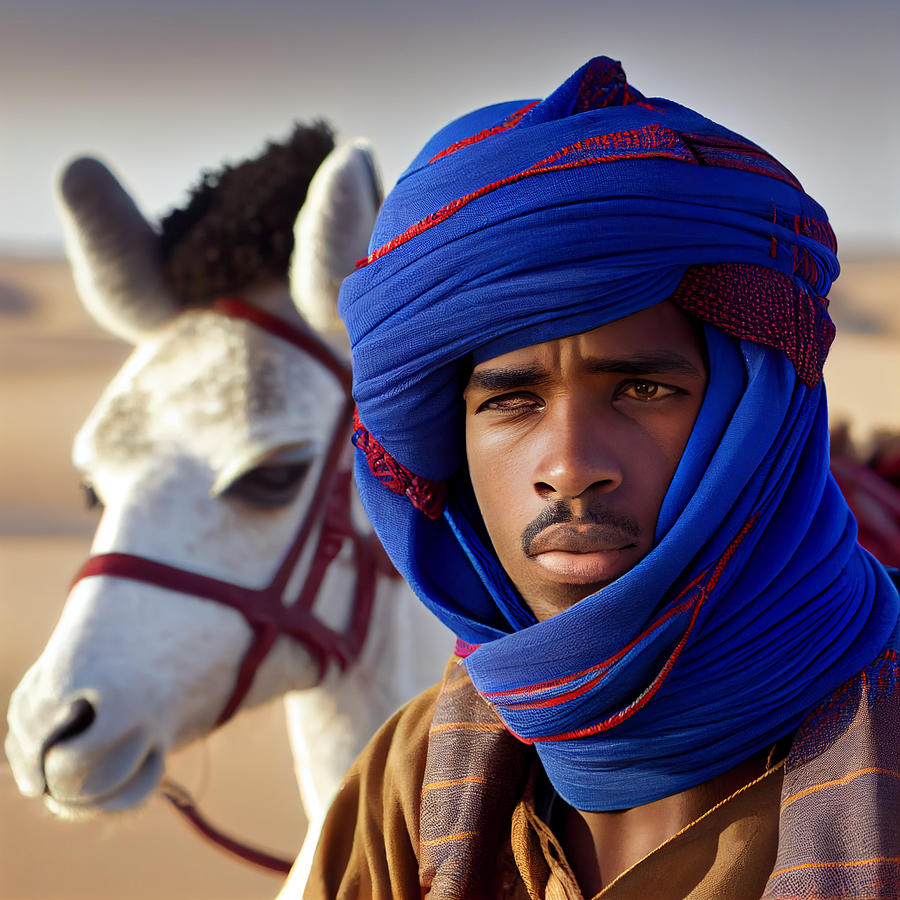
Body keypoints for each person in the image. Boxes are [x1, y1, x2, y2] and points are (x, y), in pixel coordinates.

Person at [301, 57, 900, 899]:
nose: (570, 466)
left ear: (755, 421)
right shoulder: (408, 784)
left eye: (644, 389)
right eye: (511, 402)